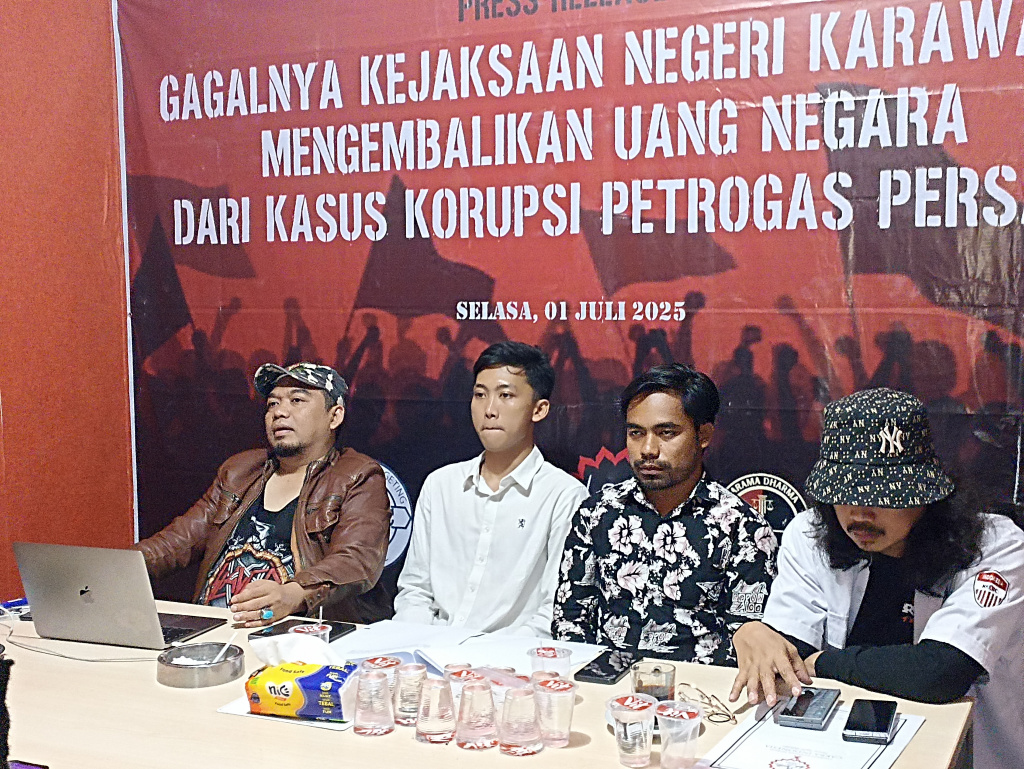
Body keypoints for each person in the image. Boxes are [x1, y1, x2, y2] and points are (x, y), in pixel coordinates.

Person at [730, 388, 1024, 769]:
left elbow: (939, 672)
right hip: (837, 752)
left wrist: (824, 664)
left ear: (925, 493)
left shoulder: (995, 545)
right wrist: (756, 635)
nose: (860, 511)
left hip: (964, 753)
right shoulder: (810, 533)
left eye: (883, 494)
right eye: (843, 491)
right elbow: (789, 654)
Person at [553, 364, 778, 664]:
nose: (648, 449)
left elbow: (749, 639)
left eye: (666, 433)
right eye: (636, 433)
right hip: (606, 682)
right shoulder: (598, 513)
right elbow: (570, 620)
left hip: (704, 687)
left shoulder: (743, 528)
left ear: (703, 435)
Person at [136, 362, 391, 626]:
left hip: (297, 633)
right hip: (213, 627)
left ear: (334, 416)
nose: (280, 412)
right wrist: (121, 565)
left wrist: (294, 594)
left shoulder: (357, 475)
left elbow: (356, 559)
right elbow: (178, 542)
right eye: (272, 404)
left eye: (297, 400)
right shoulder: (240, 470)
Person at [393, 341, 588, 637]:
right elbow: (415, 591)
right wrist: (415, 645)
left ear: (539, 409)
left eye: (505, 395)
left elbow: (552, 612)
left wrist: (487, 657)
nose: (489, 410)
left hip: (511, 657)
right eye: (480, 395)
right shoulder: (441, 485)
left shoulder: (564, 496)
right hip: (430, 649)